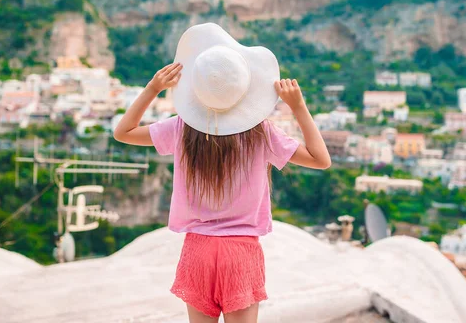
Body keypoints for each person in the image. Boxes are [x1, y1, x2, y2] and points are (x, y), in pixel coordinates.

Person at [114, 23, 331, 323]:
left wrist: (153, 88)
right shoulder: (261, 134)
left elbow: (123, 132)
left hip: (197, 250)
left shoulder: (181, 129)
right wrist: (298, 106)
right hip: (241, 253)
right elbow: (321, 159)